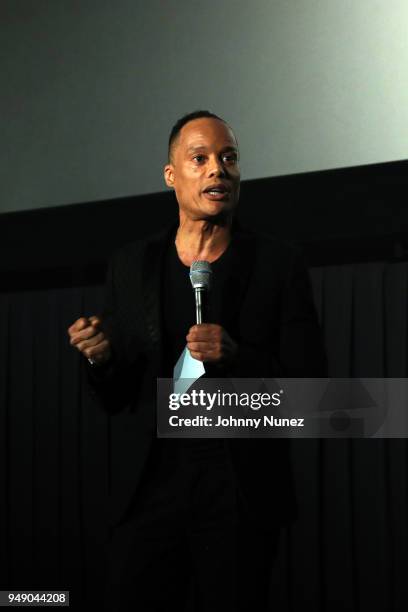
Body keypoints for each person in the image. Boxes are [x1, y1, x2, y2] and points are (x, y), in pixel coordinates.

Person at [67, 110, 327, 611]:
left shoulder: (277, 263)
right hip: (148, 489)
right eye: (200, 158)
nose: (218, 170)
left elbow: (314, 395)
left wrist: (239, 357)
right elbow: (117, 396)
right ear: (172, 175)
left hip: (240, 493)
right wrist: (99, 359)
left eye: (228, 158)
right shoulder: (130, 264)